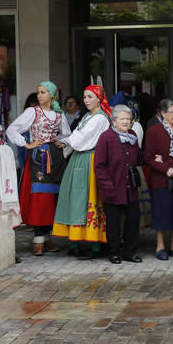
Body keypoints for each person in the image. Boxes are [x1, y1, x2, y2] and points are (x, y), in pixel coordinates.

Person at [6, 82, 70, 256]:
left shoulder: (59, 115)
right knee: (40, 198)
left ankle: (47, 238)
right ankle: (38, 240)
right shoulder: (32, 112)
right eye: (38, 93)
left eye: (43, 92)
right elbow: (12, 130)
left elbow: (67, 135)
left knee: (52, 198)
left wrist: (63, 144)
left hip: (55, 159)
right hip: (39, 158)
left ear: (52, 95)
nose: (40, 96)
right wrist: (26, 144)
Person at [53, 85, 110, 255]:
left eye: (90, 97)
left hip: (90, 159)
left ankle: (95, 244)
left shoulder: (100, 118)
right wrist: (67, 145)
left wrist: (67, 142)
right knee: (74, 199)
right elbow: (77, 135)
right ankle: (74, 242)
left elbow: (83, 137)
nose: (86, 100)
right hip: (78, 159)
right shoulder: (87, 115)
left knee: (89, 199)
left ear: (99, 98)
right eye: (85, 97)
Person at [95, 105, 144, 264]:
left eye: (128, 119)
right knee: (113, 223)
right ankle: (114, 253)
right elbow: (99, 166)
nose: (126, 121)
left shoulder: (132, 135)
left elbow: (138, 158)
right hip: (113, 187)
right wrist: (108, 185)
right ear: (113, 120)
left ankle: (130, 252)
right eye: (122, 119)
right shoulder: (106, 137)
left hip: (130, 187)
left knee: (133, 221)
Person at [144, 99, 173, 260]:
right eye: (172, 112)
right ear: (163, 113)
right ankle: (160, 247)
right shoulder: (154, 131)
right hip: (161, 177)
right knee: (162, 212)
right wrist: (165, 167)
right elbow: (148, 157)